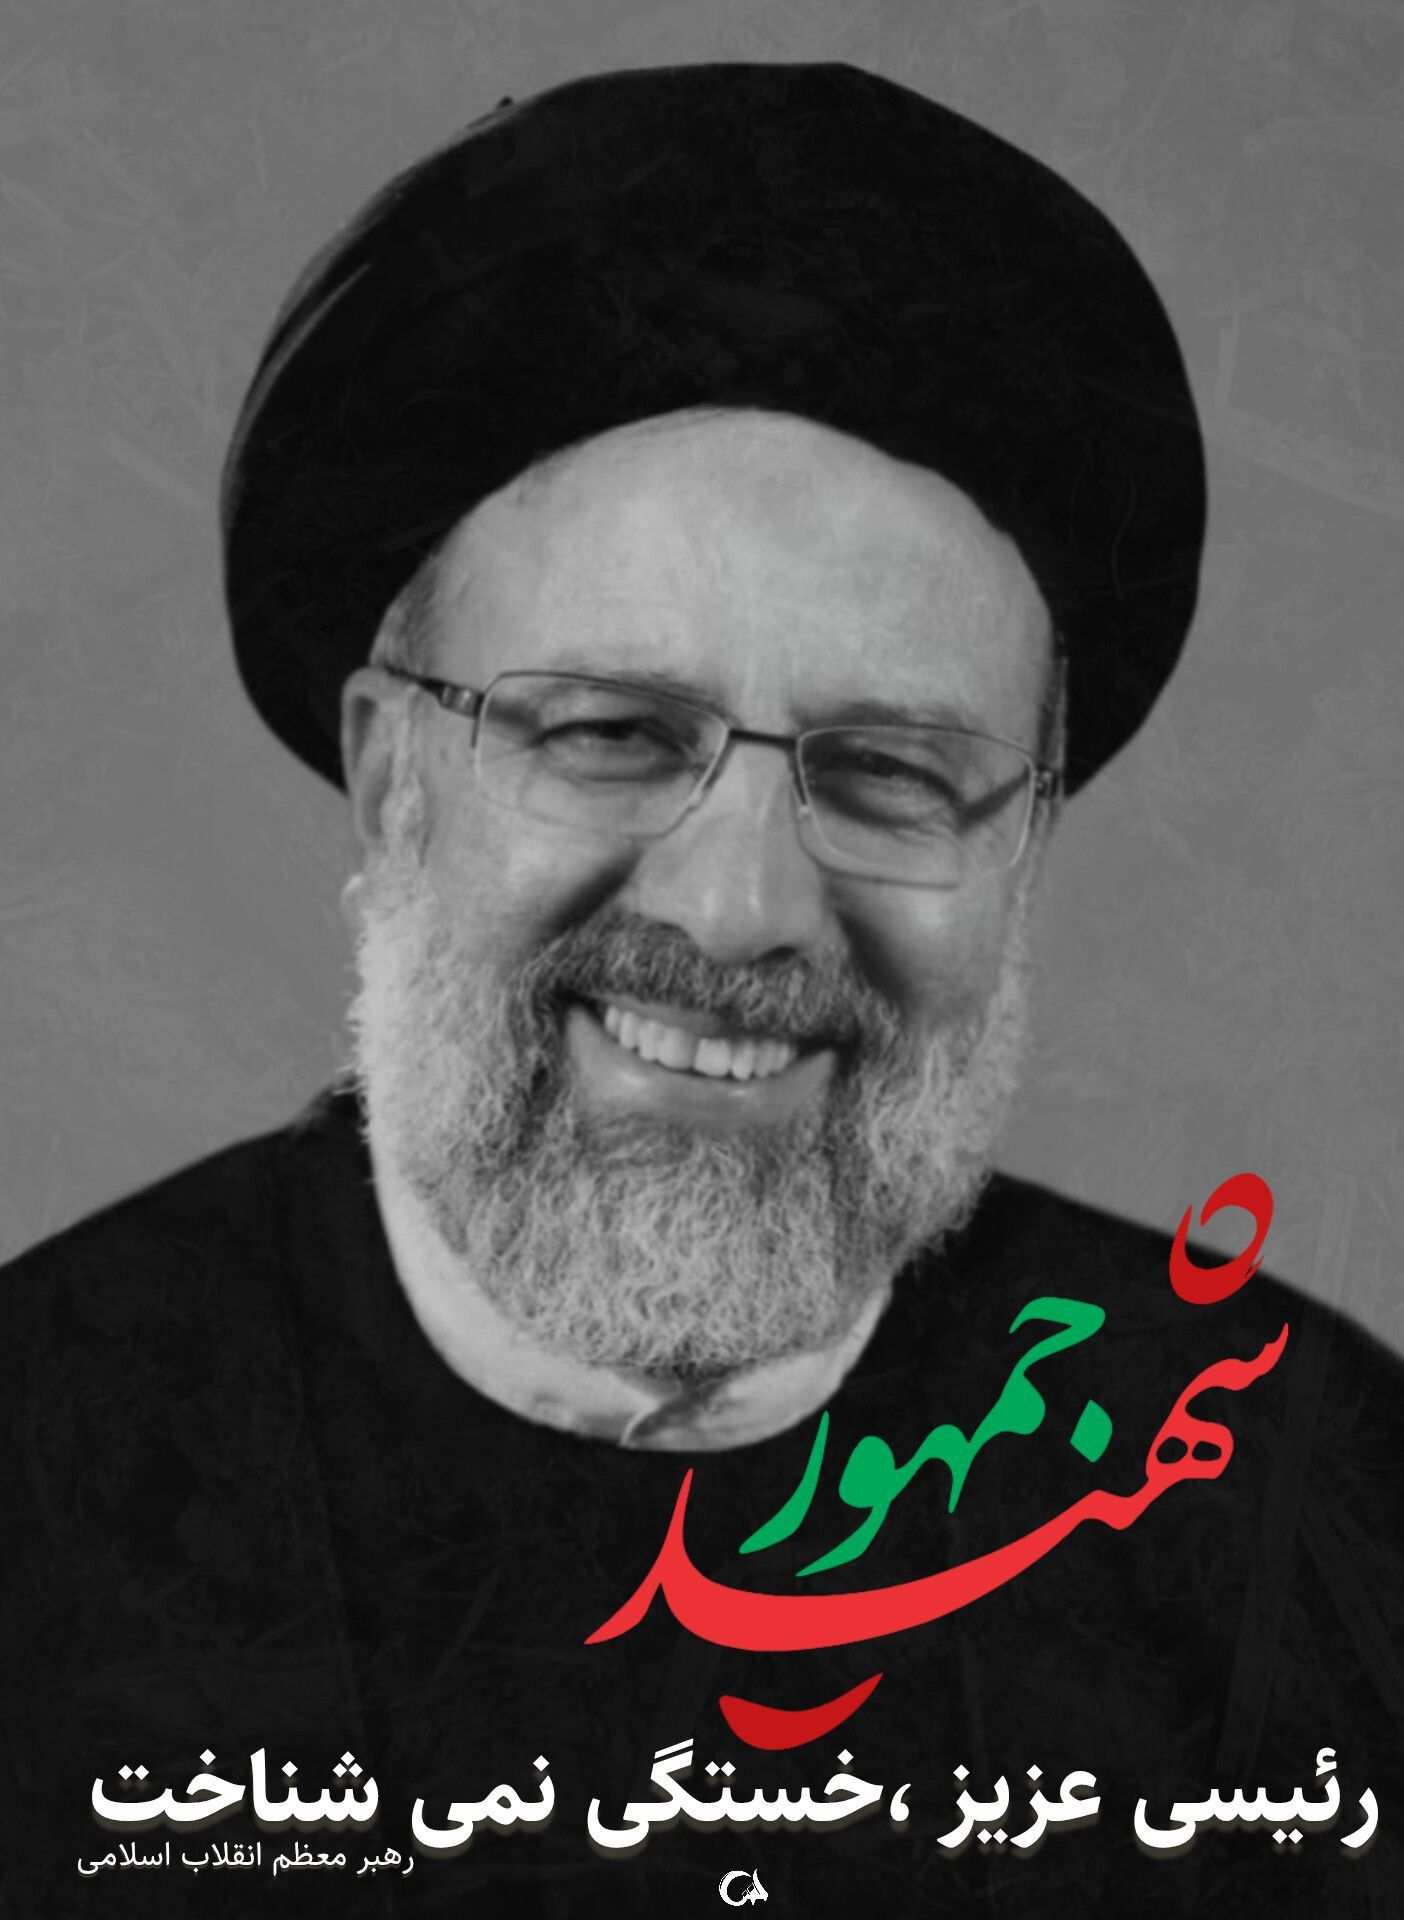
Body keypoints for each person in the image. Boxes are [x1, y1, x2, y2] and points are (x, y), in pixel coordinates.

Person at [2, 62, 1399, 1918]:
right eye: (609, 733)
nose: (740, 916)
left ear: (1024, 849)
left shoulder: (1321, 1521)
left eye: (891, 773)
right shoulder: (35, 1469)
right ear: (389, 778)